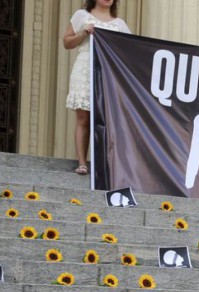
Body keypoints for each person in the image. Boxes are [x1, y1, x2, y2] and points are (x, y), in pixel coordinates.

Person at [63, 0, 130, 175]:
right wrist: (84, 33)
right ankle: (82, 162)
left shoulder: (120, 24)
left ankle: (105, 163)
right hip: (85, 67)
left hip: (108, 72)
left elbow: (129, 50)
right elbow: (67, 42)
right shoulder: (81, 16)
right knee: (83, 117)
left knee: (107, 118)